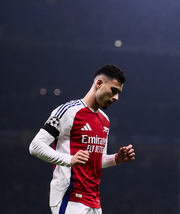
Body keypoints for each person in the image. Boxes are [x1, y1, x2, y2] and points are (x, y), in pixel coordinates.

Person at [29, 64, 135, 214]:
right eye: (113, 91)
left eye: (118, 93)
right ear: (99, 83)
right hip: (69, 197)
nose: (116, 98)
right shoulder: (68, 111)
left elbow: (96, 161)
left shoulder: (105, 120)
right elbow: (35, 146)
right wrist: (70, 159)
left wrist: (116, 159)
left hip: (94, 200)